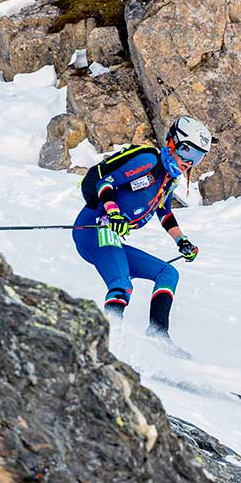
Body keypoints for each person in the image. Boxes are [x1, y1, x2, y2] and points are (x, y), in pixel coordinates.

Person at [72, 116, 212, 351]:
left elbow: (165, 214)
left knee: (168, 273)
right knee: (122, 284)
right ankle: (108, 339)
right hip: (94, 229)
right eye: (187, 152)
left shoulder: (167, 182)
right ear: (172, 144)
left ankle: (158, 336)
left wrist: (182, 241)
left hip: (111, 237)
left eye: (197, 157)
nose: (189, 162)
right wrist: (114, 213)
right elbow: (106, 183)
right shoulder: (147, 160)